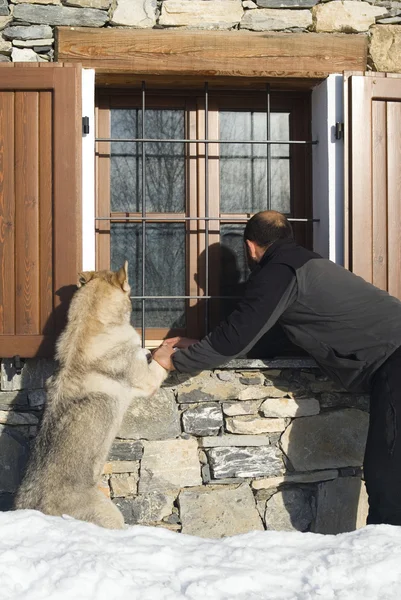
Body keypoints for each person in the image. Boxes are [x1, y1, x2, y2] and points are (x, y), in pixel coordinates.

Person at [153, 210, 401, 527]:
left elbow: (235, 340)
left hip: (395, 360)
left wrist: (172, 361)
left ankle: (385, 568)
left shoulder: (279, 272)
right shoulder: (305, 266)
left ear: (250, 247)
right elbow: (260, 339)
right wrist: (197, 343)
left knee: (389, 479)